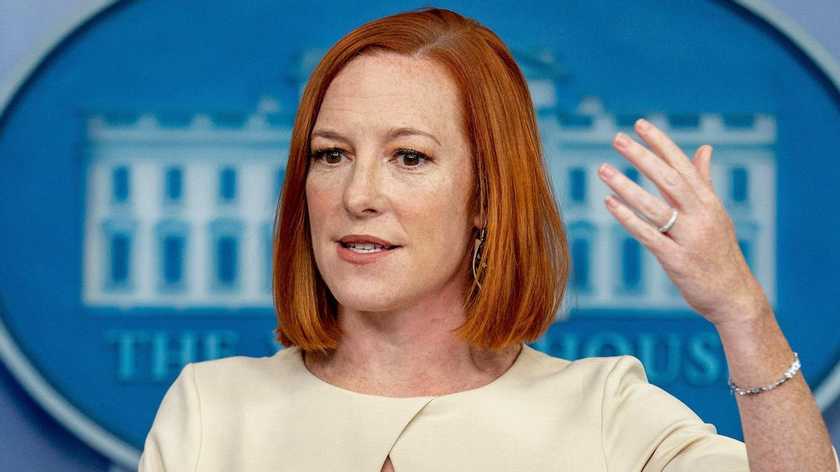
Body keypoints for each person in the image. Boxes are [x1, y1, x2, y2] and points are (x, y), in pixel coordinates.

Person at [138, 7, 839, 471]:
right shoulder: (211, 411)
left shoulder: (605, 413)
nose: (357, 195)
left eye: (409, 157)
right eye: (332, 155)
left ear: (486, 196)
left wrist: (741, 311)